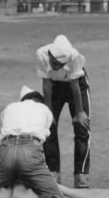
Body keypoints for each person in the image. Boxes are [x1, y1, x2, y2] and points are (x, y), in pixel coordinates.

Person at [36, 33, 91, 188]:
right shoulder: (41, 54)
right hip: (54, 87)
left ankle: (81, 177)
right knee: (48, 128)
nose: (56, 67)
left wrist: (79, 112)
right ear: (50, 55)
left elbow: (74, 85)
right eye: (54, 63)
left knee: (82, 128)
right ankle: (53, 174)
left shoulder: (75, 57)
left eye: (60, 65)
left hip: (77, 86)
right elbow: (46, 83)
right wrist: (48, 112)